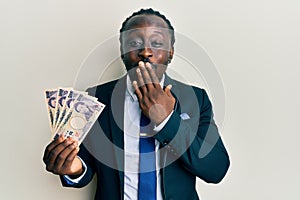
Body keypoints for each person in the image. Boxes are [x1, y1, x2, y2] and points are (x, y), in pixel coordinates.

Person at [43, 8, 230, 200]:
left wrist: (167, 121)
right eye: (134, 43)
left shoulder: (195, 99)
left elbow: (216, 170)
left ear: (170, 53)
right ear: (123, 50)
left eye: (157, 43)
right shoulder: (96, 98)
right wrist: (73, 168)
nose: (146, 52)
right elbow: (85, 166)